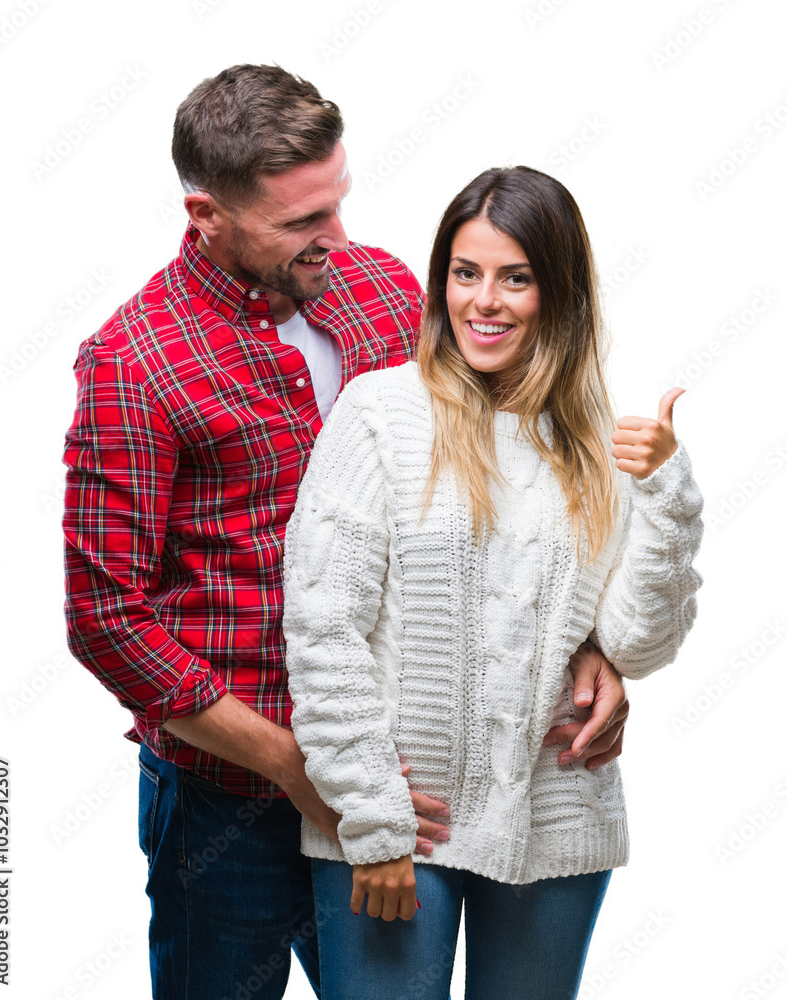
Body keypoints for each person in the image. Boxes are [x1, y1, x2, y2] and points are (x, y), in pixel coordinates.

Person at [62, 64, 631, 1000]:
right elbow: (106, 621)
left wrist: (591, 645)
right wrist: (295, 765)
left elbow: (507, 499)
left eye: (338, 201)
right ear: (206, 216)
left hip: (406, 783)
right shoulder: (134, 363)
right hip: (231, 806)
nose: (336, 236)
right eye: (301, 221)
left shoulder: (380, 290)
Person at [282, 165, 704, 1000]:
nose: (484, 301)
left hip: (557, 816)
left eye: (517, 278)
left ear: (561, 293)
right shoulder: (380, 414)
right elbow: (325, 629)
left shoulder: (594, 442)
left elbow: (638, 644)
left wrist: (668, 492)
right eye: (465, 273)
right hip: (401, 821)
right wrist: (372, 818)